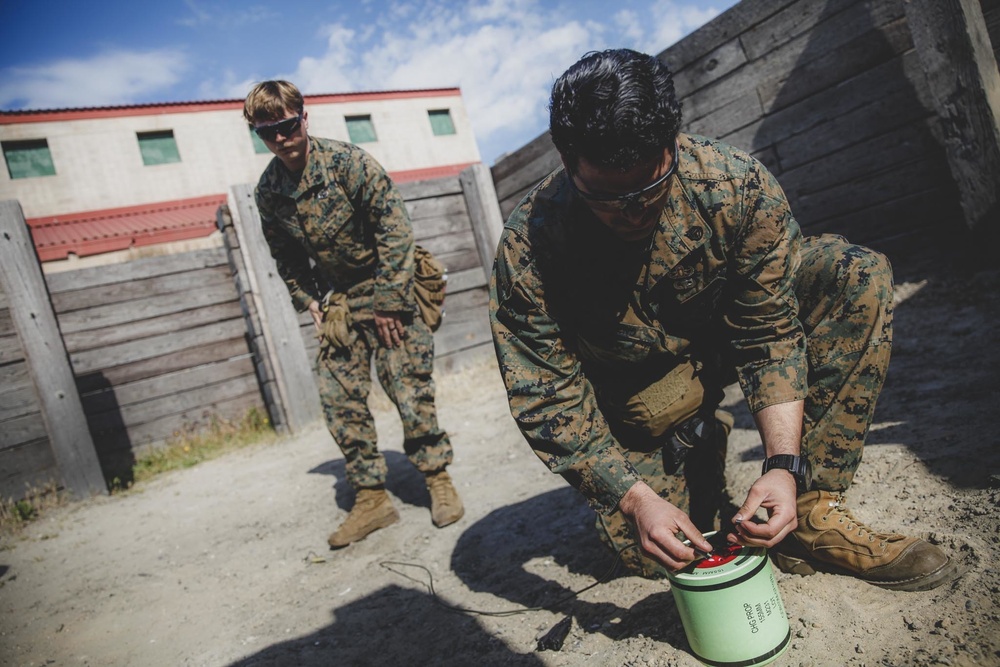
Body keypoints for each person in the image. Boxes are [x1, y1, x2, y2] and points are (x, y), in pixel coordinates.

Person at [489, 49, 957, 590]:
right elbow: (546, 395)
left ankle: (810, 510)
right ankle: (696, 440)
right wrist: (636, 501)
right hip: (648, 393)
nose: (633, 213)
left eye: (648, 189)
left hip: (728, 339)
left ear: (672, 144)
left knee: (853, 275)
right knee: (664, 554)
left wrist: (783, 464)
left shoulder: (734, 185)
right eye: (608, 199)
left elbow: (770, 335)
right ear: (569, 165)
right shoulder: (530, 248)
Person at [244, 80, 463, 548]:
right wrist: (309, 301)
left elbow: (394, 229)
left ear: (303, 118)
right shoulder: (269, 192)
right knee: (336, 395)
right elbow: (284, 255)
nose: (280, 138)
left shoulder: (349, 163)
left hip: (390, 284)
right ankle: (371, 498)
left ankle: (437, 479)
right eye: (267, 132)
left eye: (286, 125)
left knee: (408, 387)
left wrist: (389, 301)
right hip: (340, 298)